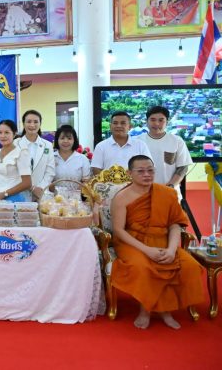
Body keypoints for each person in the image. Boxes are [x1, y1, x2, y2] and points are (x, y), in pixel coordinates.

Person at [110, 155, 204, 329]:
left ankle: (165, 309)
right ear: (130, 173)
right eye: (141, 171)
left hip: (162, 240)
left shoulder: (166, 193)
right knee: (142, 267)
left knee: (189, 266)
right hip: (132, 242)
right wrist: (147, 250)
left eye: (150, 170)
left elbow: (175, 224)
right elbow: (119, 230)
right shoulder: (121, 198)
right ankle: (145, 310)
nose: (147, 174)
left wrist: (172, 249)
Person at [138, 106, 192, 200]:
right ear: (147, 121)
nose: (156, 123)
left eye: (161, 120)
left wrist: (170, 186)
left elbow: (183, 167)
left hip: (169, 193)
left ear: (167, 122)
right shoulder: (137, 141)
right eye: (153, 120)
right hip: (142, 195)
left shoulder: (177, 141)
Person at [91, 111, 152, 175]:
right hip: (108, 181)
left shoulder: (140, 145)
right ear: (110, 126)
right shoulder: (101, 146)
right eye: (115, 123)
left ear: (130, 126)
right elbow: (96, 168)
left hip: (135, 181)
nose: (119, 126)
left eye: (123, 123)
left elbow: (149, 167)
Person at [0, 120, 31, 204]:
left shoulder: (21, 152)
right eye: (0, 132)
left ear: (14, 134)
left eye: (7, 132)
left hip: (15, 199)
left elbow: (27, 183)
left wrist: (4, 194)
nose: (3, 136)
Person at [15, 110, 55, 200]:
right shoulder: (15, 144)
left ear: (40, 124)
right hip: (20, 193)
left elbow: (50, 171)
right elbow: (13, 171)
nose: (32, 125)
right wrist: (32, 188)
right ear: (23, 124)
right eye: (29, 121)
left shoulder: (48, 145)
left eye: (36, 122)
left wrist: (40, 187)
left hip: (41, 193)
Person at [52, 125, 90, 189]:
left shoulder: (82, 159)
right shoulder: (51, 157)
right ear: (57, 140)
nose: (65, 141)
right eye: (62, 138)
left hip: (76, 195)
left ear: (74, 140)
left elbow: (86, 181)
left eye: (69, 138)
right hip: (54, 195)